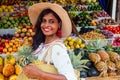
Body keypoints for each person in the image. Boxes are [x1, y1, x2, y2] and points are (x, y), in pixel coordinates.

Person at [22, 2, 77, 80]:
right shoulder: (42, 44)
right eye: (44, 21)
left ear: (59, 24)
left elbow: (71, 78)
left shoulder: (56, 48)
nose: (46, 25)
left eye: (52, 21)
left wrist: (40, 74)